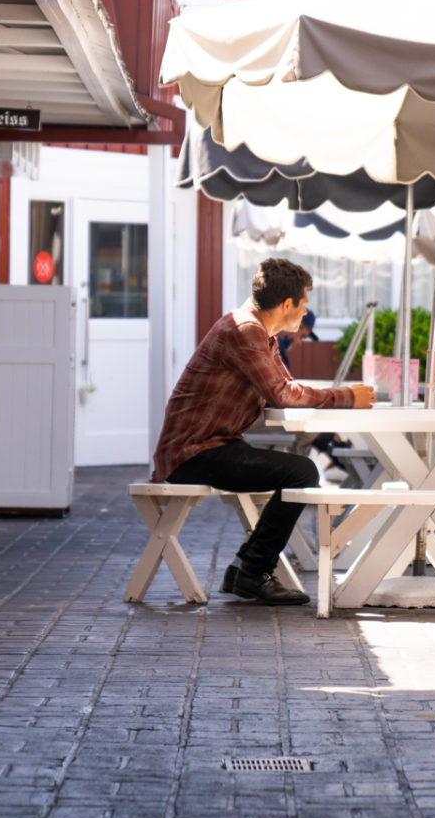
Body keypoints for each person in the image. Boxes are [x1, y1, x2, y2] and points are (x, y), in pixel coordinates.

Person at [152, 257, 374, 605]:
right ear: (287, 304)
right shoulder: (245, 330)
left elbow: (284, 386)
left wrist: (335, 398)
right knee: (301, 471)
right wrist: (346, 397)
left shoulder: (262, 334)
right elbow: (283, 394)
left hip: (212, 446)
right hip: (191, 453)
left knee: (298, 471)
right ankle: (252, 573)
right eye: (304, 303)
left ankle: (245, 567)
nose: (305, 311)